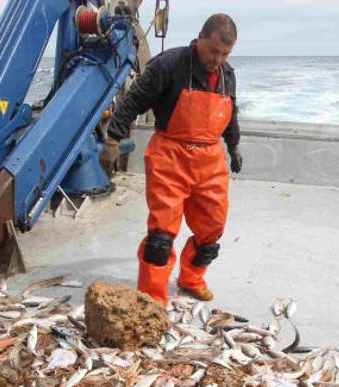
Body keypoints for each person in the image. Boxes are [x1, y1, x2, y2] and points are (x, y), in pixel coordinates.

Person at [100, 13, 243, 305]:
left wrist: (234, 145)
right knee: (161, 235)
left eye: (225, 54)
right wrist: (112, 139)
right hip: (170, 156)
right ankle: (152, 297)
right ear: (199, 38)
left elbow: (231, 115)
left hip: (211, 159)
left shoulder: (227, 75)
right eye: (213, 51)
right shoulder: (169, 64)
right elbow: (133, 100)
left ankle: (192, 278)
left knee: (211, 230)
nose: (218, 59)